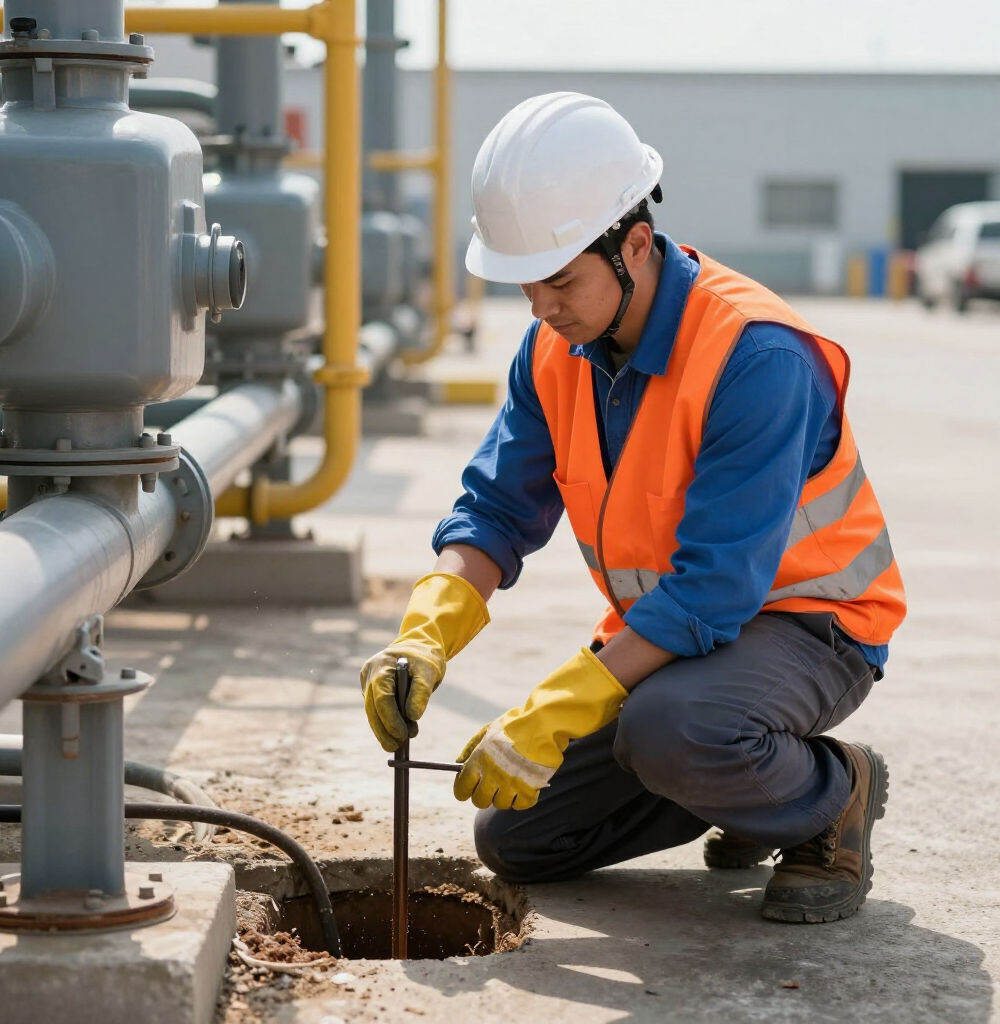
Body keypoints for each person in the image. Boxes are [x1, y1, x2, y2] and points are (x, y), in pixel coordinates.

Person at [361, 92, 906, 924]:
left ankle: (831, 797)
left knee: (673, 729)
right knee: (517, 838)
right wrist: (426, 630)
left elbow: (717, 589)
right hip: (681, 635)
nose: (541, 307)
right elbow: (497, 509)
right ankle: (749, 786)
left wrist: (565, 701)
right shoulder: (560, 346)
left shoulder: (757, 356)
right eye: (524, 286)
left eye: (558, 281)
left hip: (810, 625)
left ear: (636, 245)